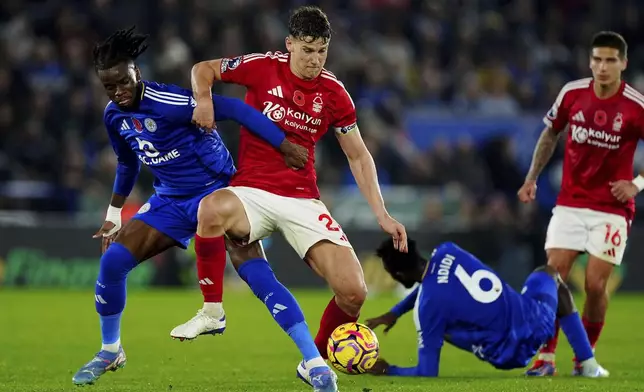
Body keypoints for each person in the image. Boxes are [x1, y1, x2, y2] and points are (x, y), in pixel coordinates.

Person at [170, 5, 407, 389]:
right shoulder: (262, 66)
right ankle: (213, 310)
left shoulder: (334, 94)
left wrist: (381, 213)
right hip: (251, 190)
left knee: (354, 292)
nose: (314, 61)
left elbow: (358, 155)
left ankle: (313, 361)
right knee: (210, 209)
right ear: (290, 44)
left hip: (302, 198)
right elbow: (204, 69)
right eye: (307, 50)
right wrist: (203, 99)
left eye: (321, 52)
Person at [71, 26, 308, 386]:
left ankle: (313, 360)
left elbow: (231, 108)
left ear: (138, 72)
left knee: (255, 274)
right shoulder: (113, 115)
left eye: (123, 81)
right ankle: (110, 350)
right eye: (109, 87)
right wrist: (113, 214)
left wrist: (283, 144)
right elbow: (126, 163)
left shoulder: (168, 102)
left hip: (218, 192)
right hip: (169, 198)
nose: (118, 92)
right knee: (113, 261)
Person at [518, 31, 644, 376]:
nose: (602, 67)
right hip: (571, 203)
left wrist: (637, 184)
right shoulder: (572, 93)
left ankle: (584, 359)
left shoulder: (635, 106)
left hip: (612, 209)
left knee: (594, 286)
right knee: (552, 277)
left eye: (610, 61)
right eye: (597, 60)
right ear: (590, 61)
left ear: (623, 64)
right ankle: (546, 357)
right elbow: (550, 133)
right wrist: (531, 178)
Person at [364, 239, 609, 378]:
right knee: (549, 275)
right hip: (536, 323)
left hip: (510, 355)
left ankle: (543, 361)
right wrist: (395, 312)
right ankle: (586, 363)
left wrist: (388, 369)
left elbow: (427, 373)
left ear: (398, 274)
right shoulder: (448, 250)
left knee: (438, 325)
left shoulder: (427, 310)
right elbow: (436, 284)